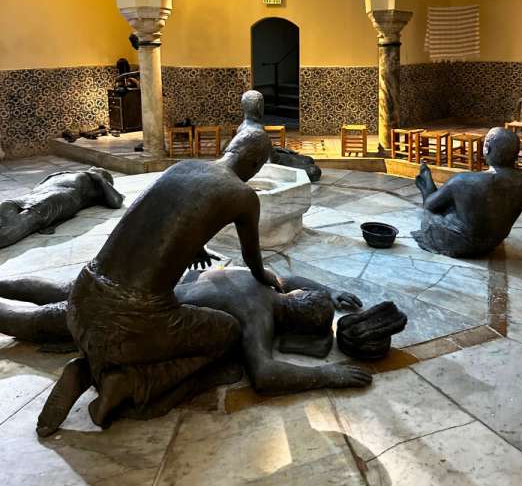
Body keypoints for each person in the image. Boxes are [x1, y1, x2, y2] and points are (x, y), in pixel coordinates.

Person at [38, 90, 283, 436]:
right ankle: (131, 383)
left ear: (229, 147)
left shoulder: (185, 166)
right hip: (129, 320)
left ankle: (90, 367)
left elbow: (164, 214)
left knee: (129, 325)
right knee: (227, 333)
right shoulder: (243, 196)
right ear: (256, 166)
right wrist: (265, 276)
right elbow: (251, 258)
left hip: (81, 297)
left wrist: (193, 244)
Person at [0, 267, 373, 416]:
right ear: (292, 327)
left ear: (292, 296)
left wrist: (329, 290)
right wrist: (328, 375)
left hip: (127, 291)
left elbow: (292, 278)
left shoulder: (258, 276)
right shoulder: (259, 317)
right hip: (132, 322)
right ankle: (101, 373)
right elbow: (266, 376)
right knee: (31, 322)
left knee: (59, 295)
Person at [413, 127, 522, 272]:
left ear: (487, 149)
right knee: (454, 205)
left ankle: (425, 179)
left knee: (430, 212)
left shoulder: (462, 180)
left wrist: (427, 183)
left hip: (461, 245)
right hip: (491, 244)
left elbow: (429, 205)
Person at [0, 167, 124, 248]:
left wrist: (101, 180)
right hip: (30, 196)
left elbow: (116, 202)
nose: (96, 168)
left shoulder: (93, 182)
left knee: (22, 221)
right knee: (5, 206)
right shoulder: (65, 173)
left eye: (101, 171)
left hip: (59, 197)